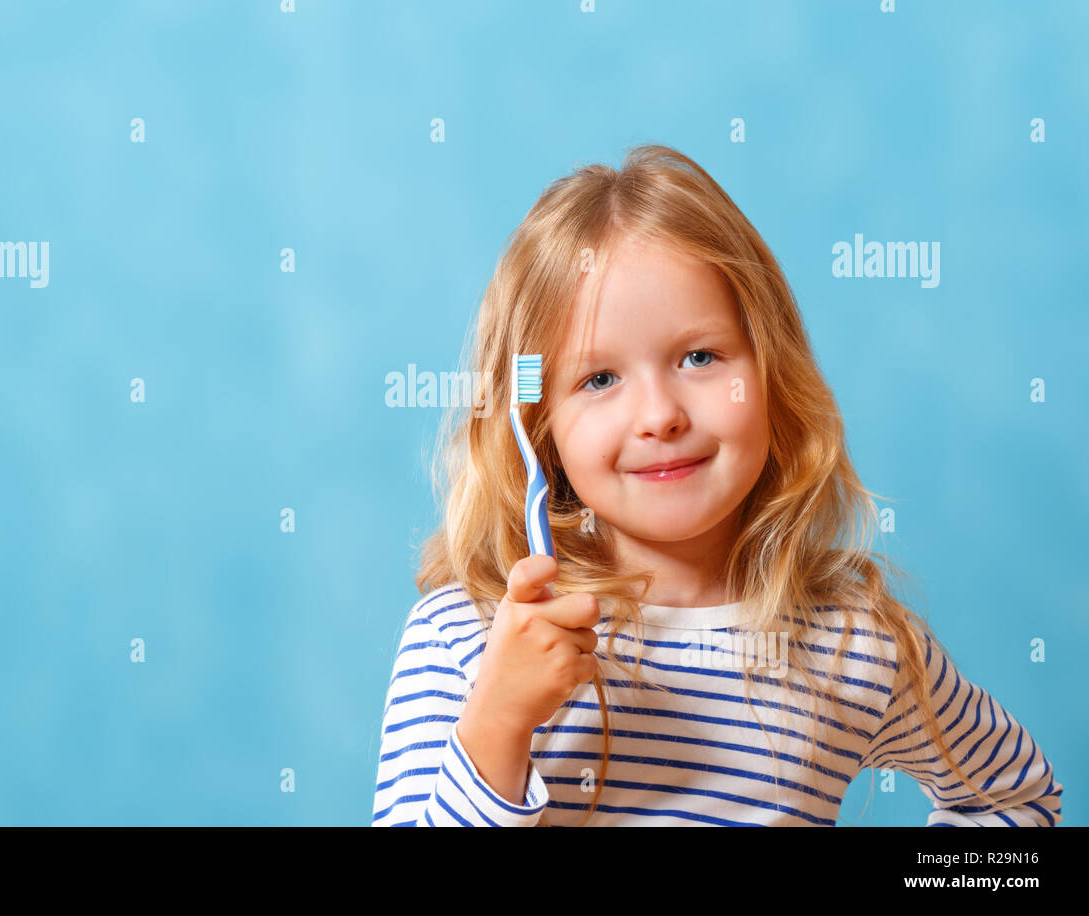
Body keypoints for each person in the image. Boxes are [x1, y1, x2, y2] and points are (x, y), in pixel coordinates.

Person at [371, 144, 1062, 827]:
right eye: (599, 379)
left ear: (770, 372)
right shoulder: (465, 638)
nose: (661, 416)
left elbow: (1016, 799)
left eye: (699, 357)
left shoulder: (853, 644)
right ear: (539, 424)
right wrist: (497, 724)